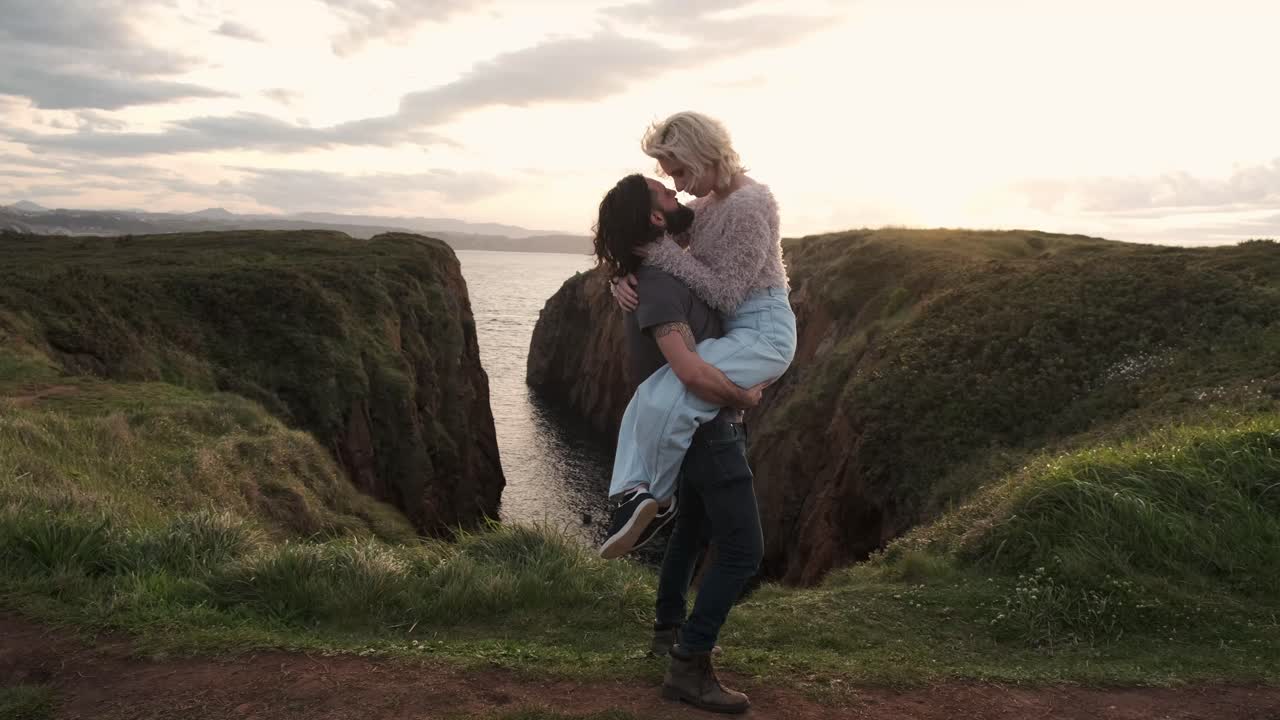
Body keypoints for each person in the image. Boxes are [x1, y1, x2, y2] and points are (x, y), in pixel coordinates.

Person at [592, 173, 764, 714]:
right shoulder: (660, 284)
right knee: (743, 549)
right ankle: (689, 665)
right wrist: (744, 397)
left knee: (691, 528)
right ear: (655, 219)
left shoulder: (664, 269)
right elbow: (689, 372)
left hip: (695, 423)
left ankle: (669, 631)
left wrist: (611, 277)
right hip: (703, 426)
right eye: (665, 194)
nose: (678, 192)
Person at [599, 111, 797, 561]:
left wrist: (659, 253)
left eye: (682, 172)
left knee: (676, 395)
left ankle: (659, 498)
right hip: (738, 331)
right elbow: (652, 239)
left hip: (763, 331)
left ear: (702, 154)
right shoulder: (710, 206)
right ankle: (632, 494)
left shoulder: (750, 205)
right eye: (671, 178)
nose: (681, 185)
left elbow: (725, 293)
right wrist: (621, 275)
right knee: (650, 394)